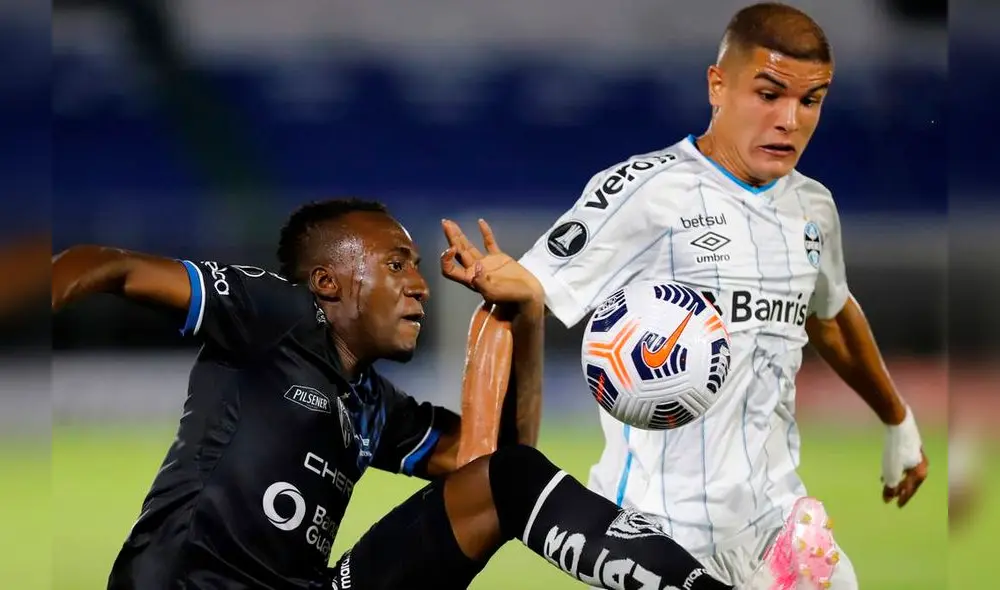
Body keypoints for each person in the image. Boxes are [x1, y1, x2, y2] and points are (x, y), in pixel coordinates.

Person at [52, 199, 741, 590]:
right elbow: (110, 266)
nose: (419, 283)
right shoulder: (278, 317)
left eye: (416, 266)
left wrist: (523, 316)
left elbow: (500, 471)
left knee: (506, 478)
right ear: (327, 284)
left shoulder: (373, 405)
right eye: (395, 264)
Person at [474, 3, 930, 588]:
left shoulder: (813, 207)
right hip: (653, 534)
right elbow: (532, 286)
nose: (789, 119)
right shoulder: (646, 190)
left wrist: (898, 420)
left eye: (810, 100)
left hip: (778, 528)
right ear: (718, 85)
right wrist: (502, 280)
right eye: (768, 94)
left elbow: (831, 314)